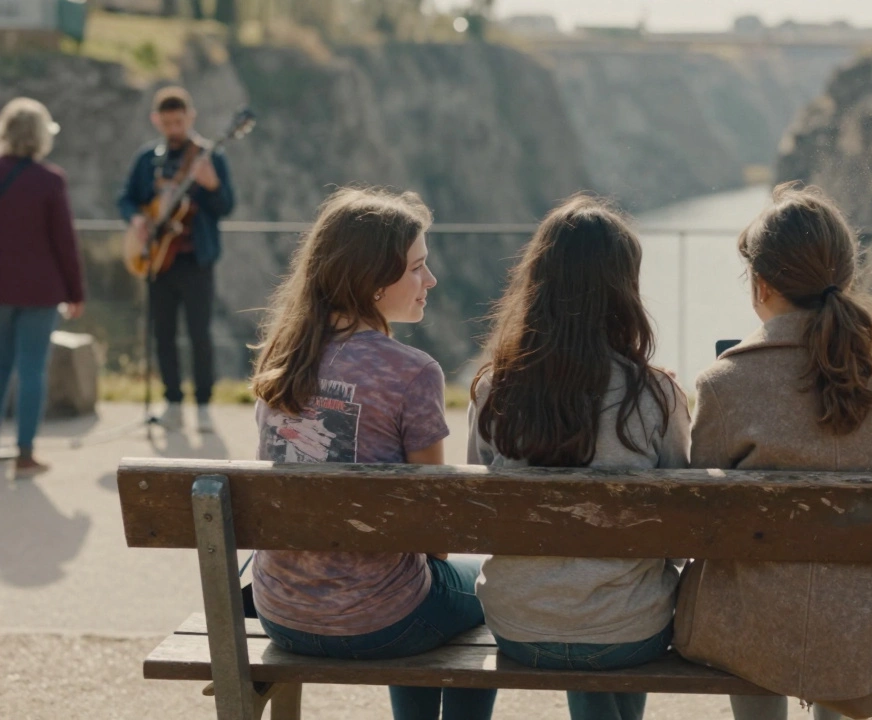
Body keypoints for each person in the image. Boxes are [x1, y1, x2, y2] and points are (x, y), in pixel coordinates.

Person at [676, 184, 872, 720]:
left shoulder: (725, 383)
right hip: (871, 631)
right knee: (841, 605)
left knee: (746, 594)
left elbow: (698, 517)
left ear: (761, 284)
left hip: (749, 630)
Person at [250, 187, 496, 720]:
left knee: (417, 583)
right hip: (381, 622)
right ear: (373, 281)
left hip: (280, 611)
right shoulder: (413, 372)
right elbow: (434, 529)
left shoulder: (282, 359)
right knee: (487, 589)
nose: (429, 281)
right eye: (417, 268)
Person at [469, 195, 689, 720]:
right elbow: (682, 524)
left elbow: (479, 511)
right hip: (631, 630)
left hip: (518, 625)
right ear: (623, 289)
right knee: (627, 596)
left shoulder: (493, 390)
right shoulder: (655, 395)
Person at [117, 86, 234, 434]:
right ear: (157, 120)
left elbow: (225, 207)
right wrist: (137, 219)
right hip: (157, 261)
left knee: (200, 334)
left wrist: (212, 186)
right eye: (166, 122)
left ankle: (203, 406)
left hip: (196, 260)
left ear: (190, 117)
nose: (173, 128)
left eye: (178, 121)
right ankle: (171, 402)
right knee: (162, 334)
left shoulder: (210, 157)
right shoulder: (146, 158)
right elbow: (125, 198)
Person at [0, 97, 85, 477]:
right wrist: (76, 292)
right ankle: (25, 454)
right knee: (32, 370)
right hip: (40, 291)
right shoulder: (50, 180)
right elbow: (64, 242)